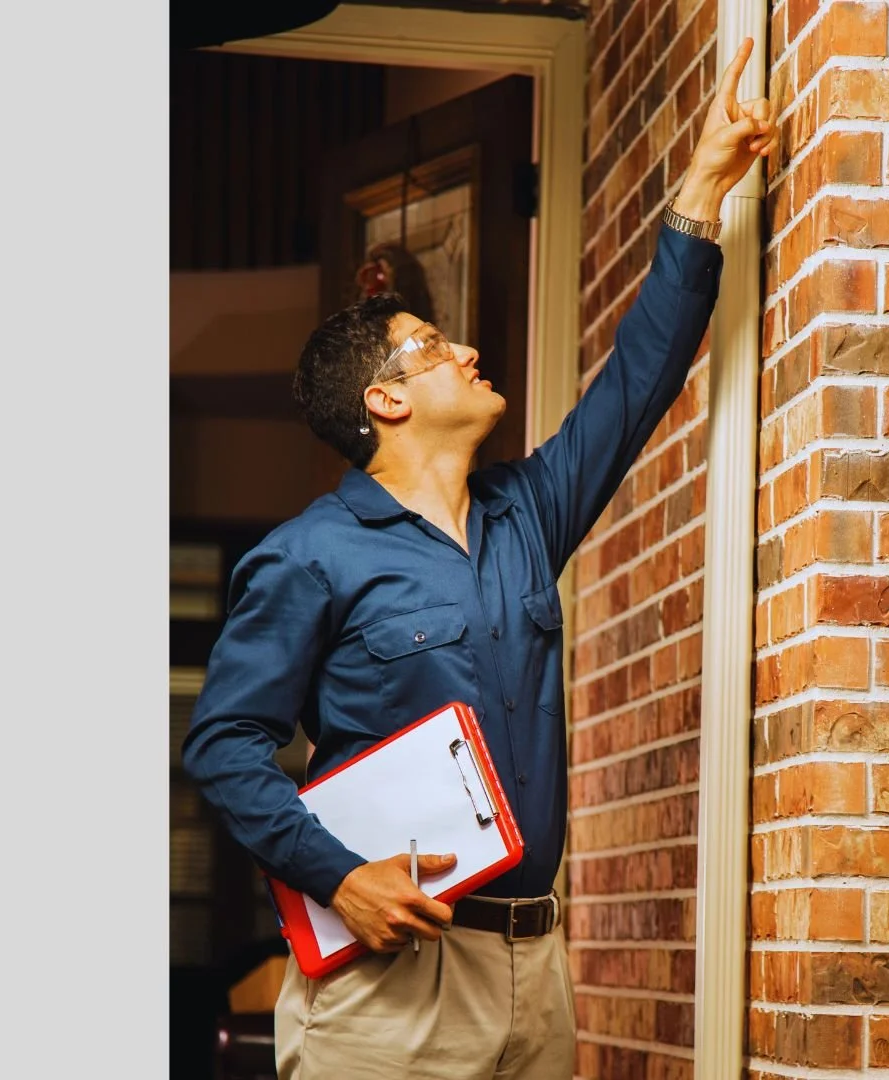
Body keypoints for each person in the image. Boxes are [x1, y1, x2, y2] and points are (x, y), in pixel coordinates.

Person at [181, 36, 774, 1080]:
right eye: (432, 345)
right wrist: (342, 875)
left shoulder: (526, 515)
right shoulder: (309, 556)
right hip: (391, 986)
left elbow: (637, 385)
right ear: (385, 400)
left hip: (535, 972)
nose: (465, 349)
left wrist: (703, 187)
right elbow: (224, 745)